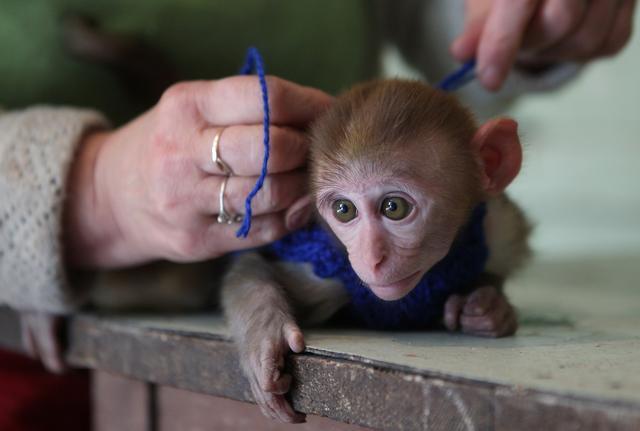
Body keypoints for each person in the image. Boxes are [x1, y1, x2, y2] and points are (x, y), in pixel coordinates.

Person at [0, 1, 635, 429]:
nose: (372, 256)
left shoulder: (495, 228)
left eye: (395, 207)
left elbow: (439, 16)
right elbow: (252, 275)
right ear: (312, 208)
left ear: (492, 166)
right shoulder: (317, 249)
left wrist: (529, 24)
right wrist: (75, 199)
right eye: (344, 213)